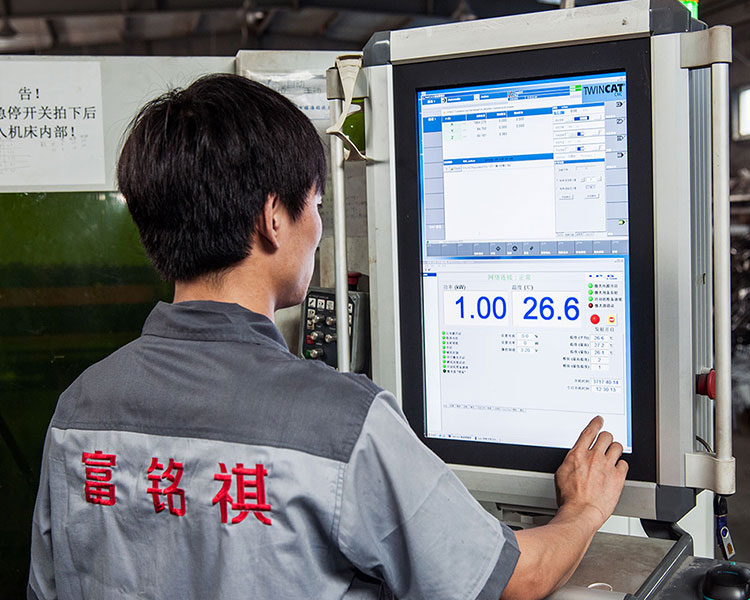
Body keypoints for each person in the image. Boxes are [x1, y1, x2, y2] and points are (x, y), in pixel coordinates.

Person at [28, 73, 627, 600]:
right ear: (273, 218)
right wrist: (583, 509)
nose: (317, 226)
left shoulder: (79, 407)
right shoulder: (342, 425)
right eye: (315, 202)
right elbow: (512, 580)